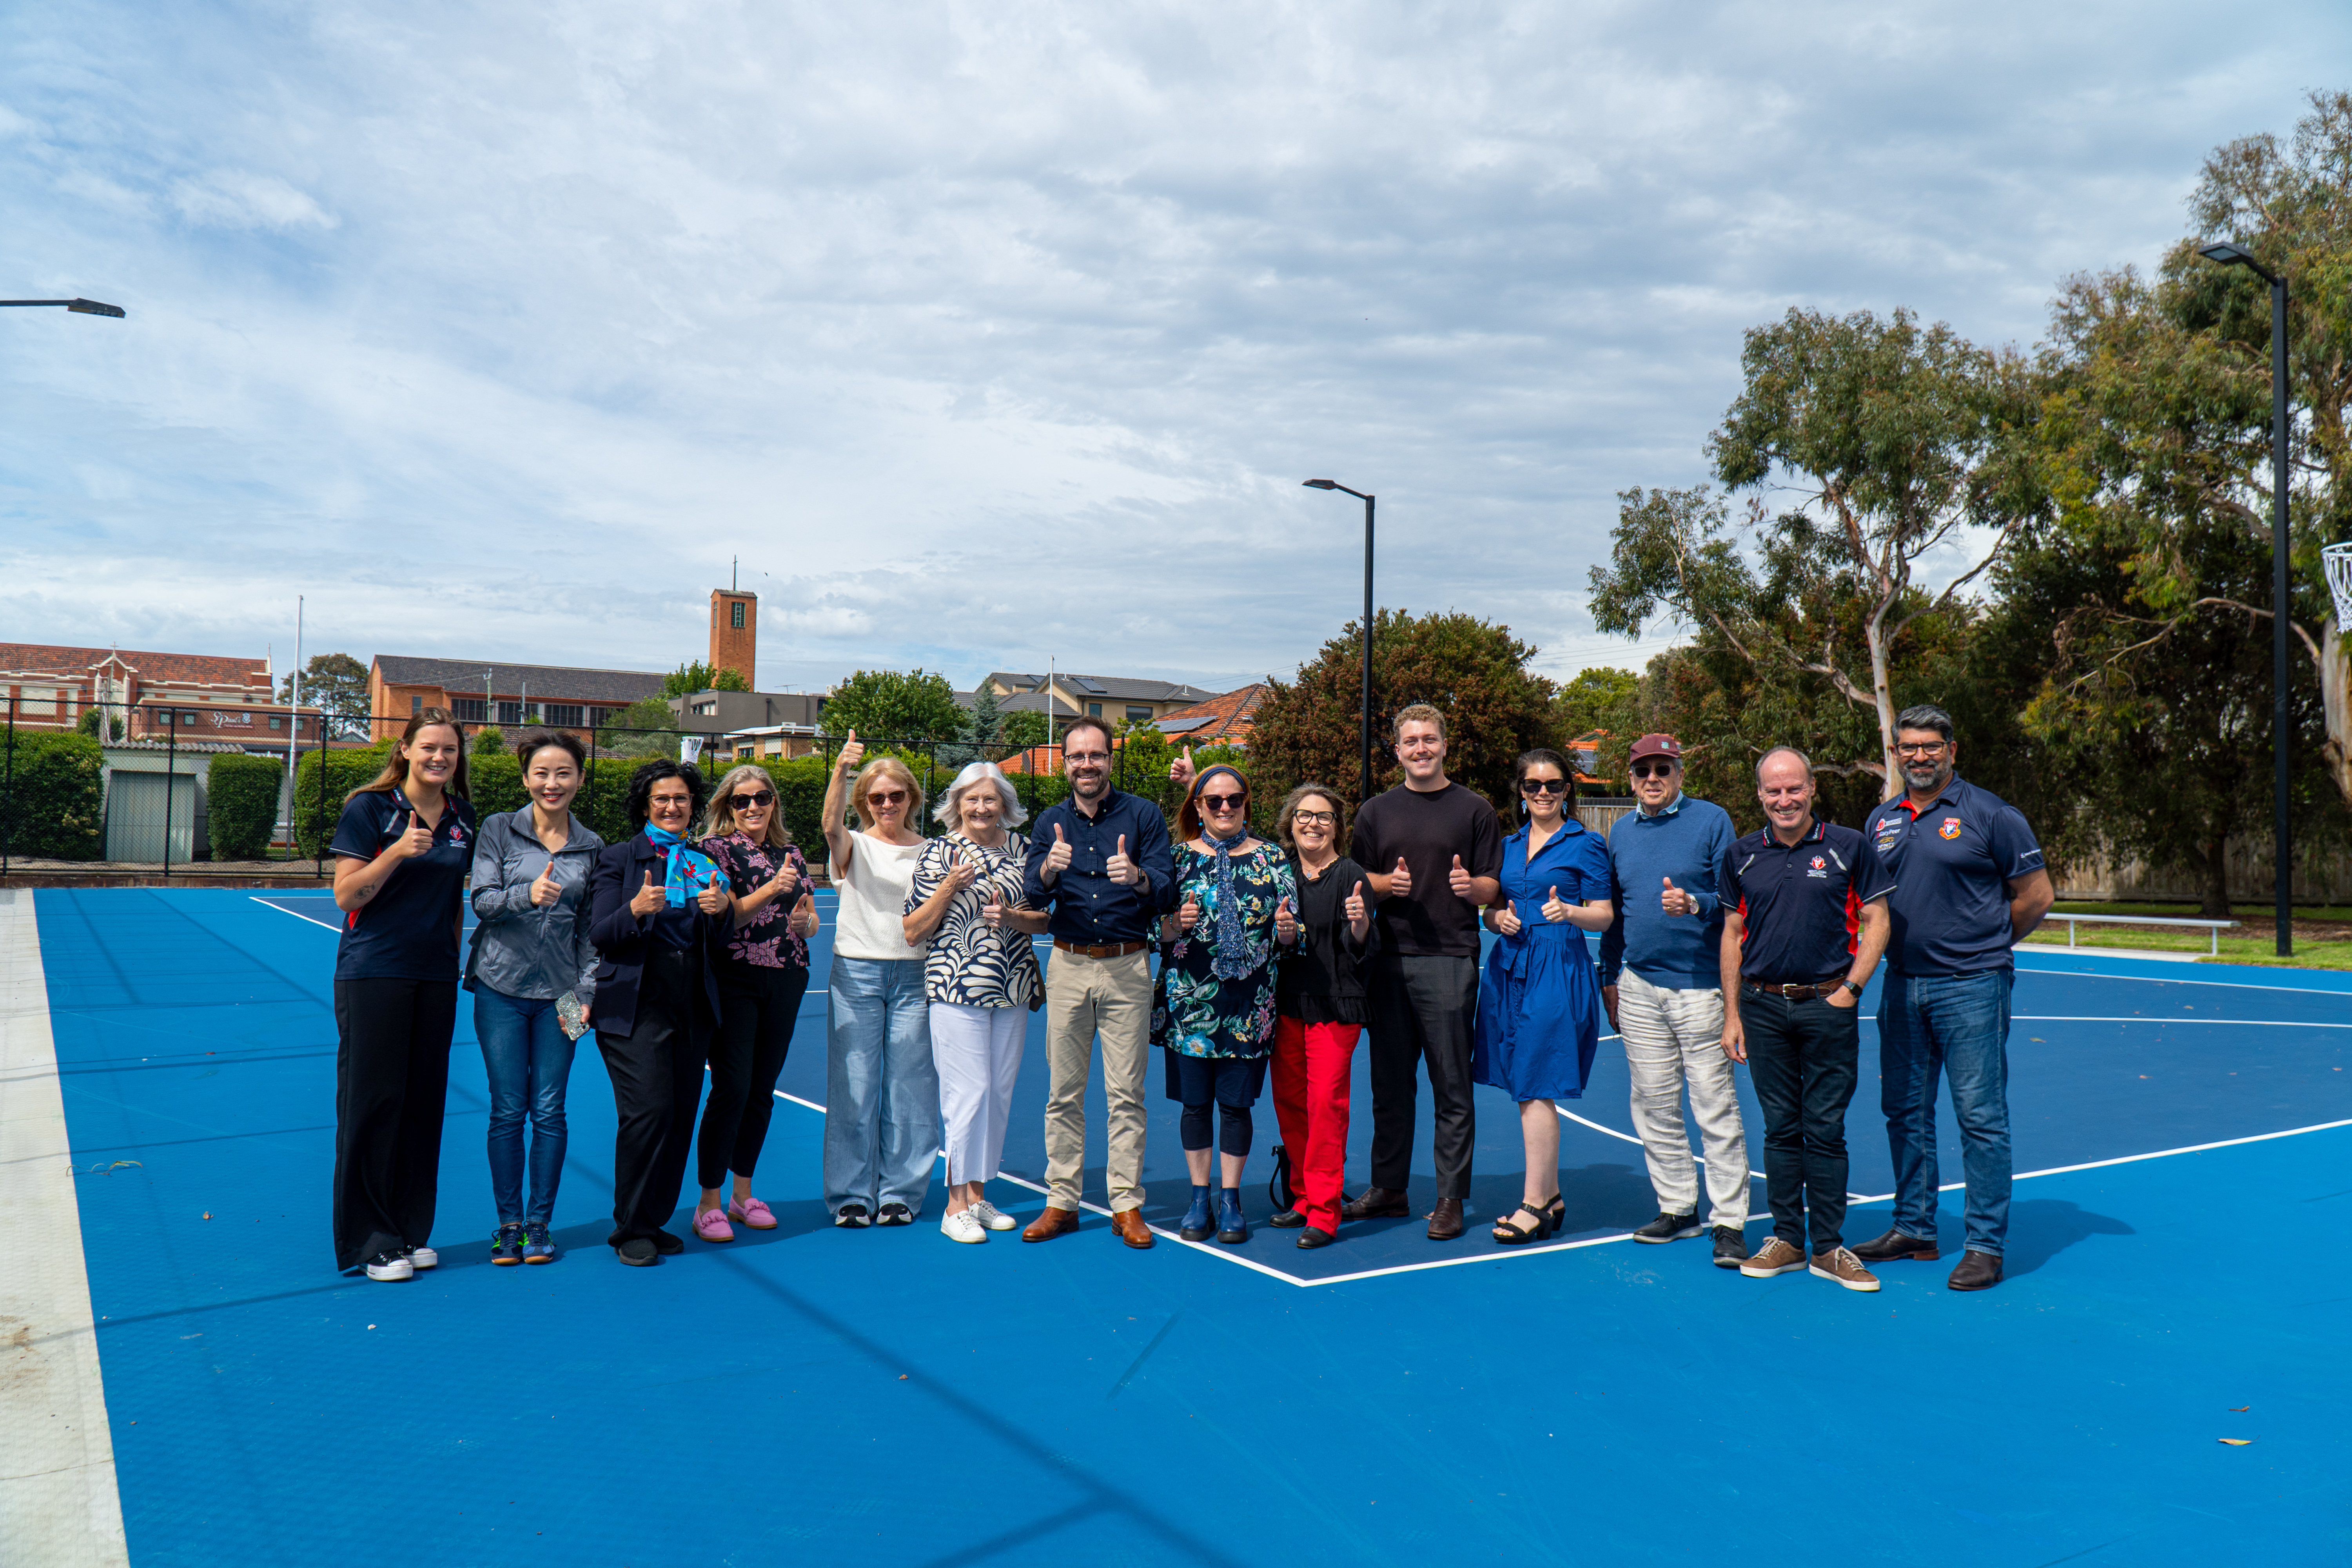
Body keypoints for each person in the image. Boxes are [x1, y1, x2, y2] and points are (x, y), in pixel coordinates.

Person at [1852, 704, 2054, 1292]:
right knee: (1906, 1113)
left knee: (1980, 1118)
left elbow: (2036, 896)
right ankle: (1914, 1227)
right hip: (1902, 985)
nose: (1919, 756)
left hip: (1972, 987)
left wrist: (1987, 944)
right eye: (1908, 747)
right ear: (1895, 753)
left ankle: (1985, 1245)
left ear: (1952, 750)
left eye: (1930, 746)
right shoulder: (1882, 820)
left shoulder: (1991, 814)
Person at [1718, 747, 1894, 1292]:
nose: (1784, 799)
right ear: (1760, 797)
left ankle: (1830, 1247)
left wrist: (1850, 991)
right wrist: (1732, 1013)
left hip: (1828, 1006)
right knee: (1781, 1127)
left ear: (1812, 788)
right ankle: (1787, 1239)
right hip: (1764, 1007)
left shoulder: (1849, 847)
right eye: (1773, 791)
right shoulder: (1741, 855)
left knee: (1825, 1129)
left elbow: (1877, 919)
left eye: (1793, 788)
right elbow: (1730, 935)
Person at [1341, 704, 1501, 1241]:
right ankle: (1389, 1188)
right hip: (1387, 961)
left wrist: (1470, 889)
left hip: (1450, 959)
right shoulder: (1375, 812)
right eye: (1410, 741)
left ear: (1445, 745)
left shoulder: (1475, 810)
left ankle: (1450, 1196)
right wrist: (1388, 885)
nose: (1420, 749)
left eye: (1429, 739)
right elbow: (1360, 879)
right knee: (1388, 1084)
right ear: (1397, 750)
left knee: (1450, 1085)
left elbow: (1491, 885)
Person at [328, 708, 476, 1281]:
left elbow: (454, 903)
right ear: (406, 751)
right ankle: (370, 1240)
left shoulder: (463, 817)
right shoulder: (370, 809)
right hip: (375, 972)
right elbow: (346, 896)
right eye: (430, 747)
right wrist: (396, 852)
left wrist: (455, 960)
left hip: (435, 976)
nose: (440, 757)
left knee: (422, 1105)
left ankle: (410, 1231)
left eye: (450, 750)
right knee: (374, 1104)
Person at [1018, 717, 1175, 1249]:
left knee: (1126, 1094)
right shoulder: (1049, 823)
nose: (1087, 764)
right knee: (1063, 1093)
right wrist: (1046, 872)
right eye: (1077, 757)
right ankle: (1061, 1201)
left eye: (1096, 755)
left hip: (1128, 967)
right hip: (1067, 967)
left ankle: (1126, 1204)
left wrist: (1138, 877)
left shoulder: (1144, 815)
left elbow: (1168, 891)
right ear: (1064, 763)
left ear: (1111, 759)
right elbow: (1033, 899)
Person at [1598, 732, 1751, 1267]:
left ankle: (1729, 1221)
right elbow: (1616, 912)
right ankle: (1679, 1208)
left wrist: (1697, 903)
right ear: (1632, 778)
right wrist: (1608, 975)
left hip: (1701, 987)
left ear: (1680, 774)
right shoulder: (1619, 832)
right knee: (1655, 1105)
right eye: (1644, 772)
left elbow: (1735, 901)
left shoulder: (1712, 821)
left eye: (1664, 769)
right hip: (1640, 987)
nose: (1653, 779)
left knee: (1714, 1107)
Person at [465, 730, 604, 1266]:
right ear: (526, 778)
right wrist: (528, 894)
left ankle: (540, 1224)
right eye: (542, 773)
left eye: (564, 773)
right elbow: (482, 901)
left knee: (550, 1111)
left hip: (564, 998)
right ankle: (508, 1225)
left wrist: (587, 992)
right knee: (507, 1109)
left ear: (580, 780)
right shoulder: (499, 829)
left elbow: (592, 934)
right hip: (499, 989)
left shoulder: (592, 847)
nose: (553, 783)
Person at [586, 760, 731, 1267]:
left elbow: (720, 936)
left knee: (680, 1116)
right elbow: (601, 931)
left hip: (692, 1006)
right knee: (648, 1112)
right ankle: (630, 1228)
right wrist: (636, 910)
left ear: (694, 807)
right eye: (661, 800)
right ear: (646, 806)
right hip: (635, 1006)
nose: (672, 807)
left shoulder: (703, 862)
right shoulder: (621, 859)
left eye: (682, 800)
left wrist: (722, 912)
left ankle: (654, 1220)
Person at [902, 761, 1047, 1244]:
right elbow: (912, 930)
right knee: (968, 1094)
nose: (982, 808)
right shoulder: (939, 852)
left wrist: (1012, 915)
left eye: (990, 800)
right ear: (957, 805)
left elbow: (1044, 921)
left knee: (998, 1095)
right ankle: (954, 1205)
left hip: (1012, 987)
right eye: (972, 799)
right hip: (955, 987)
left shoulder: (1023, 849)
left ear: (1005, 804)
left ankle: (980, 1196)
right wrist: (949, 887)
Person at [1474, 749, 1614, 1246]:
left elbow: (1604, 914)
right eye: (1532, 786)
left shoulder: (1587, 844)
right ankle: (1551, 1197)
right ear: (1521, 791)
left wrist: (1570, 913)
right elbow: (1490, 908)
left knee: (1535, 1083)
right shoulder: (1507, 845)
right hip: (1510, 966)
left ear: (1567, 790)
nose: (1543, 794)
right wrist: (1497, 921)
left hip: (1557, 967)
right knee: (1521, 1080)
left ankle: (1533, 1203)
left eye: (1553, 785)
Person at [1155, 764, 1298, 1244]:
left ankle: (1231, 1199)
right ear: (1197, 806)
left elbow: (1293, 933)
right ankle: (1200, 1197)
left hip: (1248, 1006)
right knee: (1195, 1106)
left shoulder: (1273, 859)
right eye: (1213, 800)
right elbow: (1153, 931)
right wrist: (1176, 921)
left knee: (1236, 1107)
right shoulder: (1174, 859)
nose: (1224, 808)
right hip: (1190, 1005)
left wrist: (1286, 932)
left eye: (1233, 799)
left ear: (1246, 804)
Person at [690, 764, 821, 1242]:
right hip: (736, 979)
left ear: (774, 803)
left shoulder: (790, 851)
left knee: (762, 1090)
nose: (753, 807)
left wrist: (807, 922)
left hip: (787, 977)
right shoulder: (712, 851)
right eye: (742, 799)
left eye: (762, 797)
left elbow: (807, 917)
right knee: (733, 1088)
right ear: (727, 804)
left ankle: (744, 1195)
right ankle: (709, 1200)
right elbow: (726, 918)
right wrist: (772, 890)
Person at [820, 733, 940, 1228]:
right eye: (876, 797)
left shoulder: (934, 850)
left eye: (896, 795)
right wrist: (842, 768)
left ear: (911, 797)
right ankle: (851, 1194)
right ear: (863, 802)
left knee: (910, 1088)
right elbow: (830, 826)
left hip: (917, 974)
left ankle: (900, 1194)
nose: (887, 804)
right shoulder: (855, 845)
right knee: (854, 1085)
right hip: (857, 972)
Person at [1267, 784, 1377, 1249]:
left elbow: (1362, 947)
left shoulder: (1352, 875)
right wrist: (1286, 935)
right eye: (1304, 815)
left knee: (1326, 1106)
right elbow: (1277, 946)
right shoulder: (1281, 874)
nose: (1313, 823)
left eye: (1324, 816)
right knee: (1290, 1103)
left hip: (1335, 1004)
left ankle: (1326, 1211)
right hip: (1288, 1003)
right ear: (1290, 823)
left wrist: (1359, 921)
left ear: (1338, 825)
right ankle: (1303, 1195)